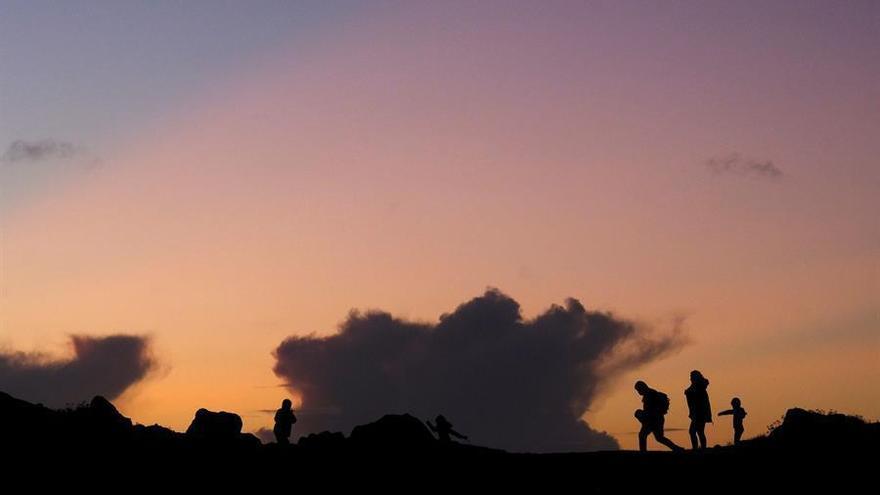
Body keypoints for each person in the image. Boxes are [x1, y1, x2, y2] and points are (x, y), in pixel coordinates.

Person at [634, 380, 683, 452]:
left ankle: (643, 452)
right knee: (659, 438)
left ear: (642, 388)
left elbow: (652, 409)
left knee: (644, 435)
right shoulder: (649, 393)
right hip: (655, 419)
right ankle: (677, 449)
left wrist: (644, 415)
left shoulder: (650, 394)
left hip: (654, 419)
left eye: (638, 390)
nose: (638, 392)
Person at [684, 370, 712, 449]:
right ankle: (701, 448)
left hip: (700, 413)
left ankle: (697, 448)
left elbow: (698, 399)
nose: (690, 378)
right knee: (699, 432)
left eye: (692, 376)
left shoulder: (699, 387)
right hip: (697, 413)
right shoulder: (695, 386)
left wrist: (688, 392)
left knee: (693, 431)